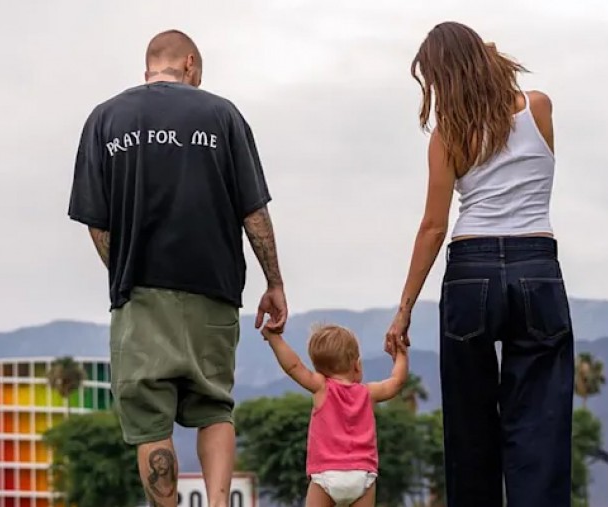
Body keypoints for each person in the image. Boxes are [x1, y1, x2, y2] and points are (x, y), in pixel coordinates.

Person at [68, 29, 287, 507]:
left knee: (150, 421)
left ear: (149, 66)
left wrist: (123, 269)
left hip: (140, 294)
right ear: (190, 63)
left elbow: (96, 222)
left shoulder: (105, 119)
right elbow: (254, 211)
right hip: (215, 289)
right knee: (215, 407)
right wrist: (274, 282)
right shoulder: (222, 115)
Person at [385, 22, 574, 507]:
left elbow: (433, 227)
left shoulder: (447, 135)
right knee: (541, 421)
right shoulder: (539, 108)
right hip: (536, 265)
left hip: (472, 271)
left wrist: (404, 310)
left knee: (469, 424)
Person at [261, 322, 409, 506]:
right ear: (357, 366)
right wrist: (401, 354)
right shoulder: (368, 393)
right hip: (362, 473)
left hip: (326, 472)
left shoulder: (321, 388)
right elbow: (396, 382)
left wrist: (274, 338)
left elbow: (293, 366)